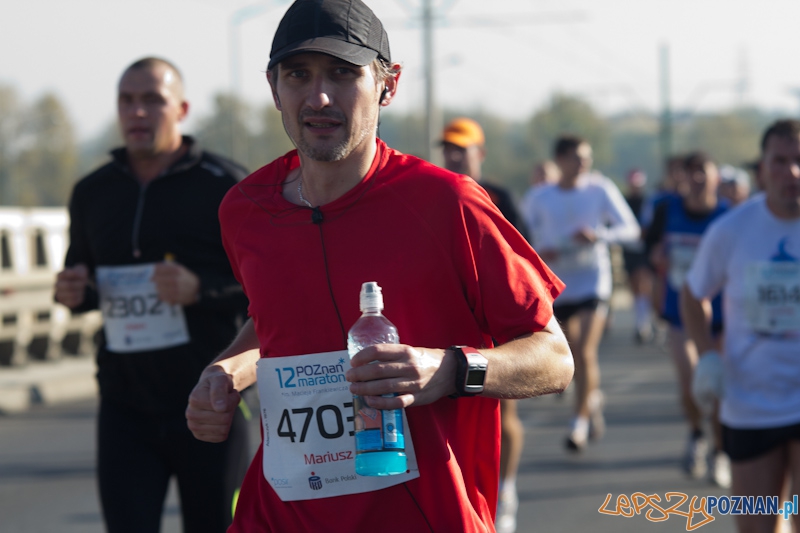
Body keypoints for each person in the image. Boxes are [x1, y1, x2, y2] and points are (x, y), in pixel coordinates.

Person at [184, 1, 574, 531]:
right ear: (274, 88)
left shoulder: (448, 204)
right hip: (279, 515)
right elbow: (277, 322)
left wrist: (450, 370)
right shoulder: (245, 210)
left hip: (423, 515)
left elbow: (554, 358)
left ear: (388, 85)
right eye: (298, 75)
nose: (319, 97)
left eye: (342, 73)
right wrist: (227, 371)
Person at [54, 57, 250, 533]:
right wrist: (74, 291)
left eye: (152, 100)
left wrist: (200, 288)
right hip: (125, 405)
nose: (137, 112)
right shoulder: (92, 191)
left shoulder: (226, 186)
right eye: (127, 101)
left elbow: (265, 291)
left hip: (210, 400)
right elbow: (84, 277)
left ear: (181, 109)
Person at [682, 119, 800, 533]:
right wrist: (706, 356)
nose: (792, 172)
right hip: (751, 403)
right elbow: (693, 294)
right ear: (762, 169)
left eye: (799, 160)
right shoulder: (731, 231)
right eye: (780, 161)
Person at [440, 117, 528, 533]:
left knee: (503, 415)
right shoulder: (435, 192)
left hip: (495, 325)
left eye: (462, 149)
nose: (454, 156)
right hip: (451, 325)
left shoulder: (500, 197)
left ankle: (505, 491)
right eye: (448, 149)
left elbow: (523, 260)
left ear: (480, 153)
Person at [525, 136, 639, 452]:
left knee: (586, 352)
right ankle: (592, 398)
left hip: (593, 282)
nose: (584, 163)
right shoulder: (539, 197)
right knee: (572, 356)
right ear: (560, 160)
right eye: (577, 157)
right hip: (558, 285)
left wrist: (598, 235)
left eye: (587, 157)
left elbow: (631, 229)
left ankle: (578, 423)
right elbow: (521, 235)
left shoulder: (600, 189)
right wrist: (540, 250)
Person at [645, 152, 731, 487]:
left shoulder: (728, 216)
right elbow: (650, 250)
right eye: (690, 173)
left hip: (721, 315)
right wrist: (657, 257)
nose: (696, 179)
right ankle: (697, 434)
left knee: (720, 386)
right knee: (688, 381)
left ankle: (720, 452)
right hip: (680, 311)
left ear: (715, 177)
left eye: (702, 172)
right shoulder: (668, 210)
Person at [621, 168, 655, 343]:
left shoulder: (648, 201)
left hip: (643, 249)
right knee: (635, 286)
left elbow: (650, 224)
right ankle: (640, 322)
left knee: (643, 284)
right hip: (629, 249)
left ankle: (644, 325)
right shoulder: (623, 201)